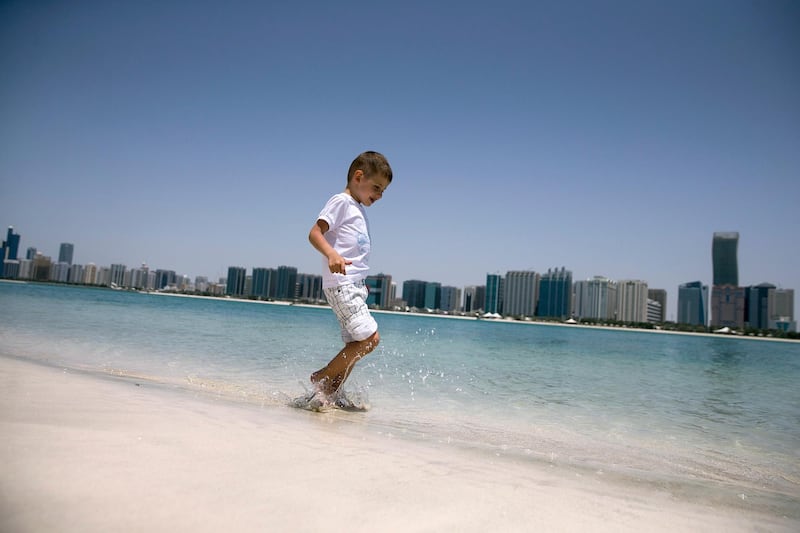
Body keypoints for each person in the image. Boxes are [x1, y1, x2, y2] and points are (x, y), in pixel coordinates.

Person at [307, 151, 393, 405]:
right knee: (370, 339)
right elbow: (314, 233)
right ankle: (321, 376)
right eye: (376, 188)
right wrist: (331, 254)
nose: (378, 196)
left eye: (383, 192)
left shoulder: (356, 208)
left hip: (353, 286)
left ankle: (329, 394)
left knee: (356, 344)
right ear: (358, 177)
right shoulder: (341, 202)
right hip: (342, 285)